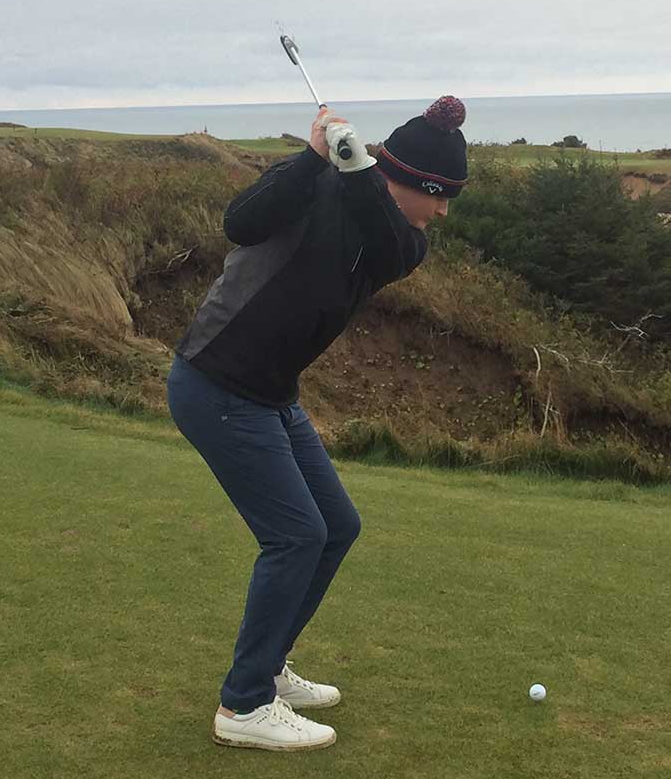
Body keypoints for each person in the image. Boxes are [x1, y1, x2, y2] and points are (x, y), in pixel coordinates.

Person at [166, 96, 468, 751]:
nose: (444, 212)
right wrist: (310, 156)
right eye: (441, 196)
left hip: (270, 391)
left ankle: (267, 666)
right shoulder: (317, 185)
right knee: (297, 534)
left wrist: (355, 163)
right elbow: (240, 221)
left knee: (337, 527)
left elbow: (381, 230)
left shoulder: (403, 243)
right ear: (411, 181)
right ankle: (244, 705)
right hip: (215, 380)